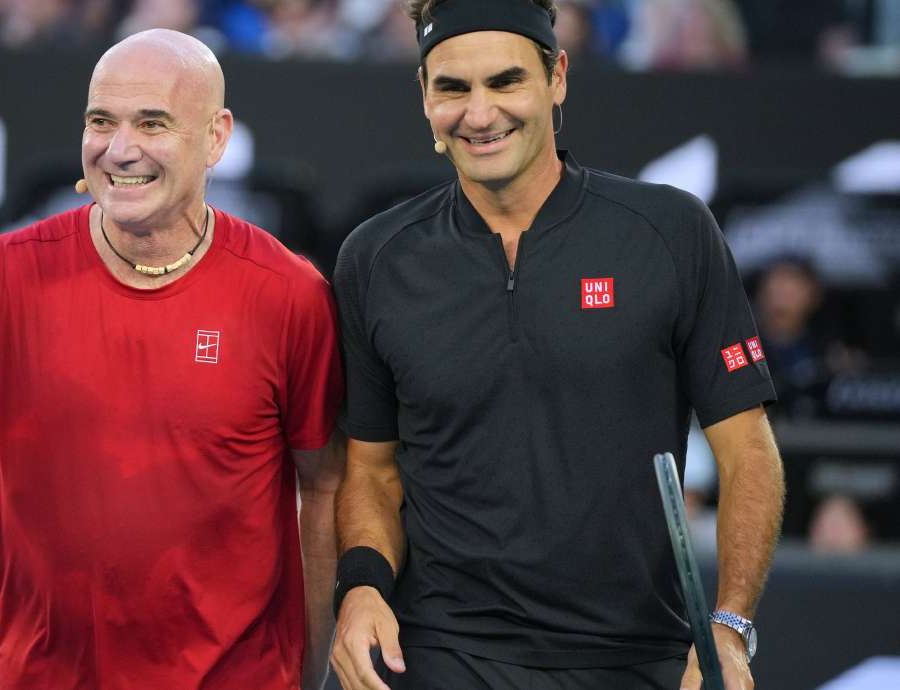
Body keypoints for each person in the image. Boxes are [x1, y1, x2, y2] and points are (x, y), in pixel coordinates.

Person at [0, 29, 344, 690]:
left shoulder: (289, 294)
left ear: (216, 138)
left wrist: (310, 671)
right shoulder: (8, 274)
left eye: (152, 123)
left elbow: (323, 485)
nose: (120, 149)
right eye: (100, 121)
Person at [328, 2, 784, 689]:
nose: (479, 114)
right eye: (453, 88)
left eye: (505, 82)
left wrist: (730, 627)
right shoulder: (376, 259)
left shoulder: (670, 233)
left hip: (637, 657)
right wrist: (361, 589)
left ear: (558, 78)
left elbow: (748, 450)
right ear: (424, 94)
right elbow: (370, 470)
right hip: (441, 654)